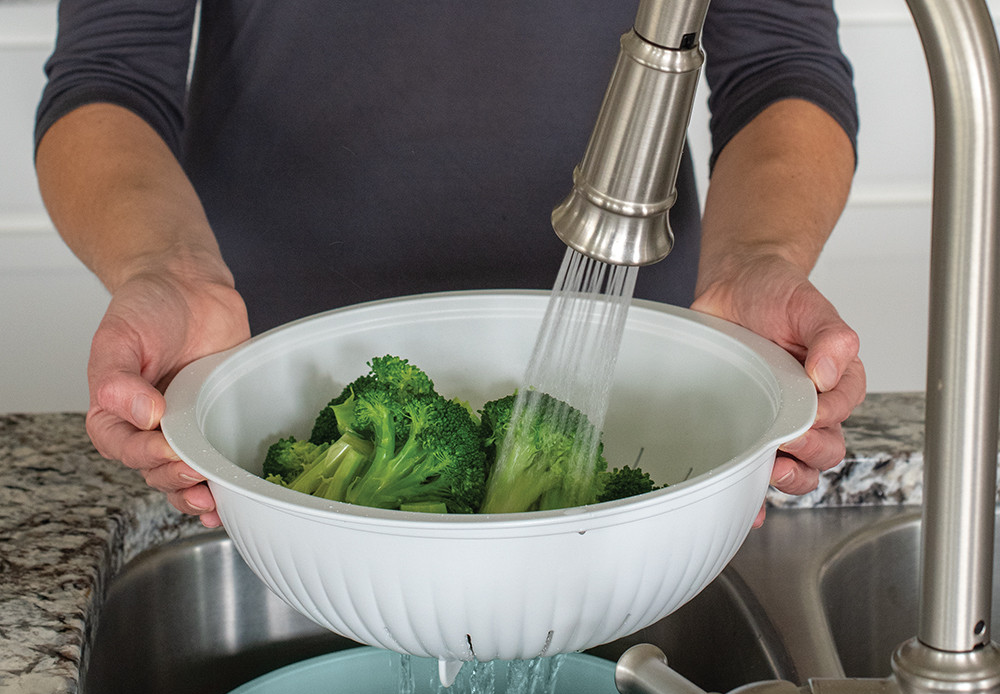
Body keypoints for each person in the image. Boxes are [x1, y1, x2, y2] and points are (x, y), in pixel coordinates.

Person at [35, 0, 865, 528]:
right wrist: (167, 266)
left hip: (626, 382)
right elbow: (111, 71)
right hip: (264, 386)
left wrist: (758, 257)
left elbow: (778, 62)